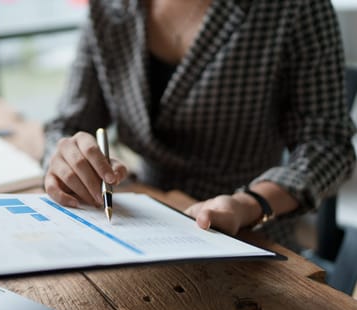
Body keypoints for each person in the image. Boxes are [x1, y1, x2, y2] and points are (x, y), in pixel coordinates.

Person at [42, 0, 356, 251]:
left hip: (246, 236)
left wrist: (250, 204)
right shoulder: (106, 8)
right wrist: (66, 158)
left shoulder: (294, 7)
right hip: (135, 223)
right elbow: (68, 124)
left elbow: (328, 145)